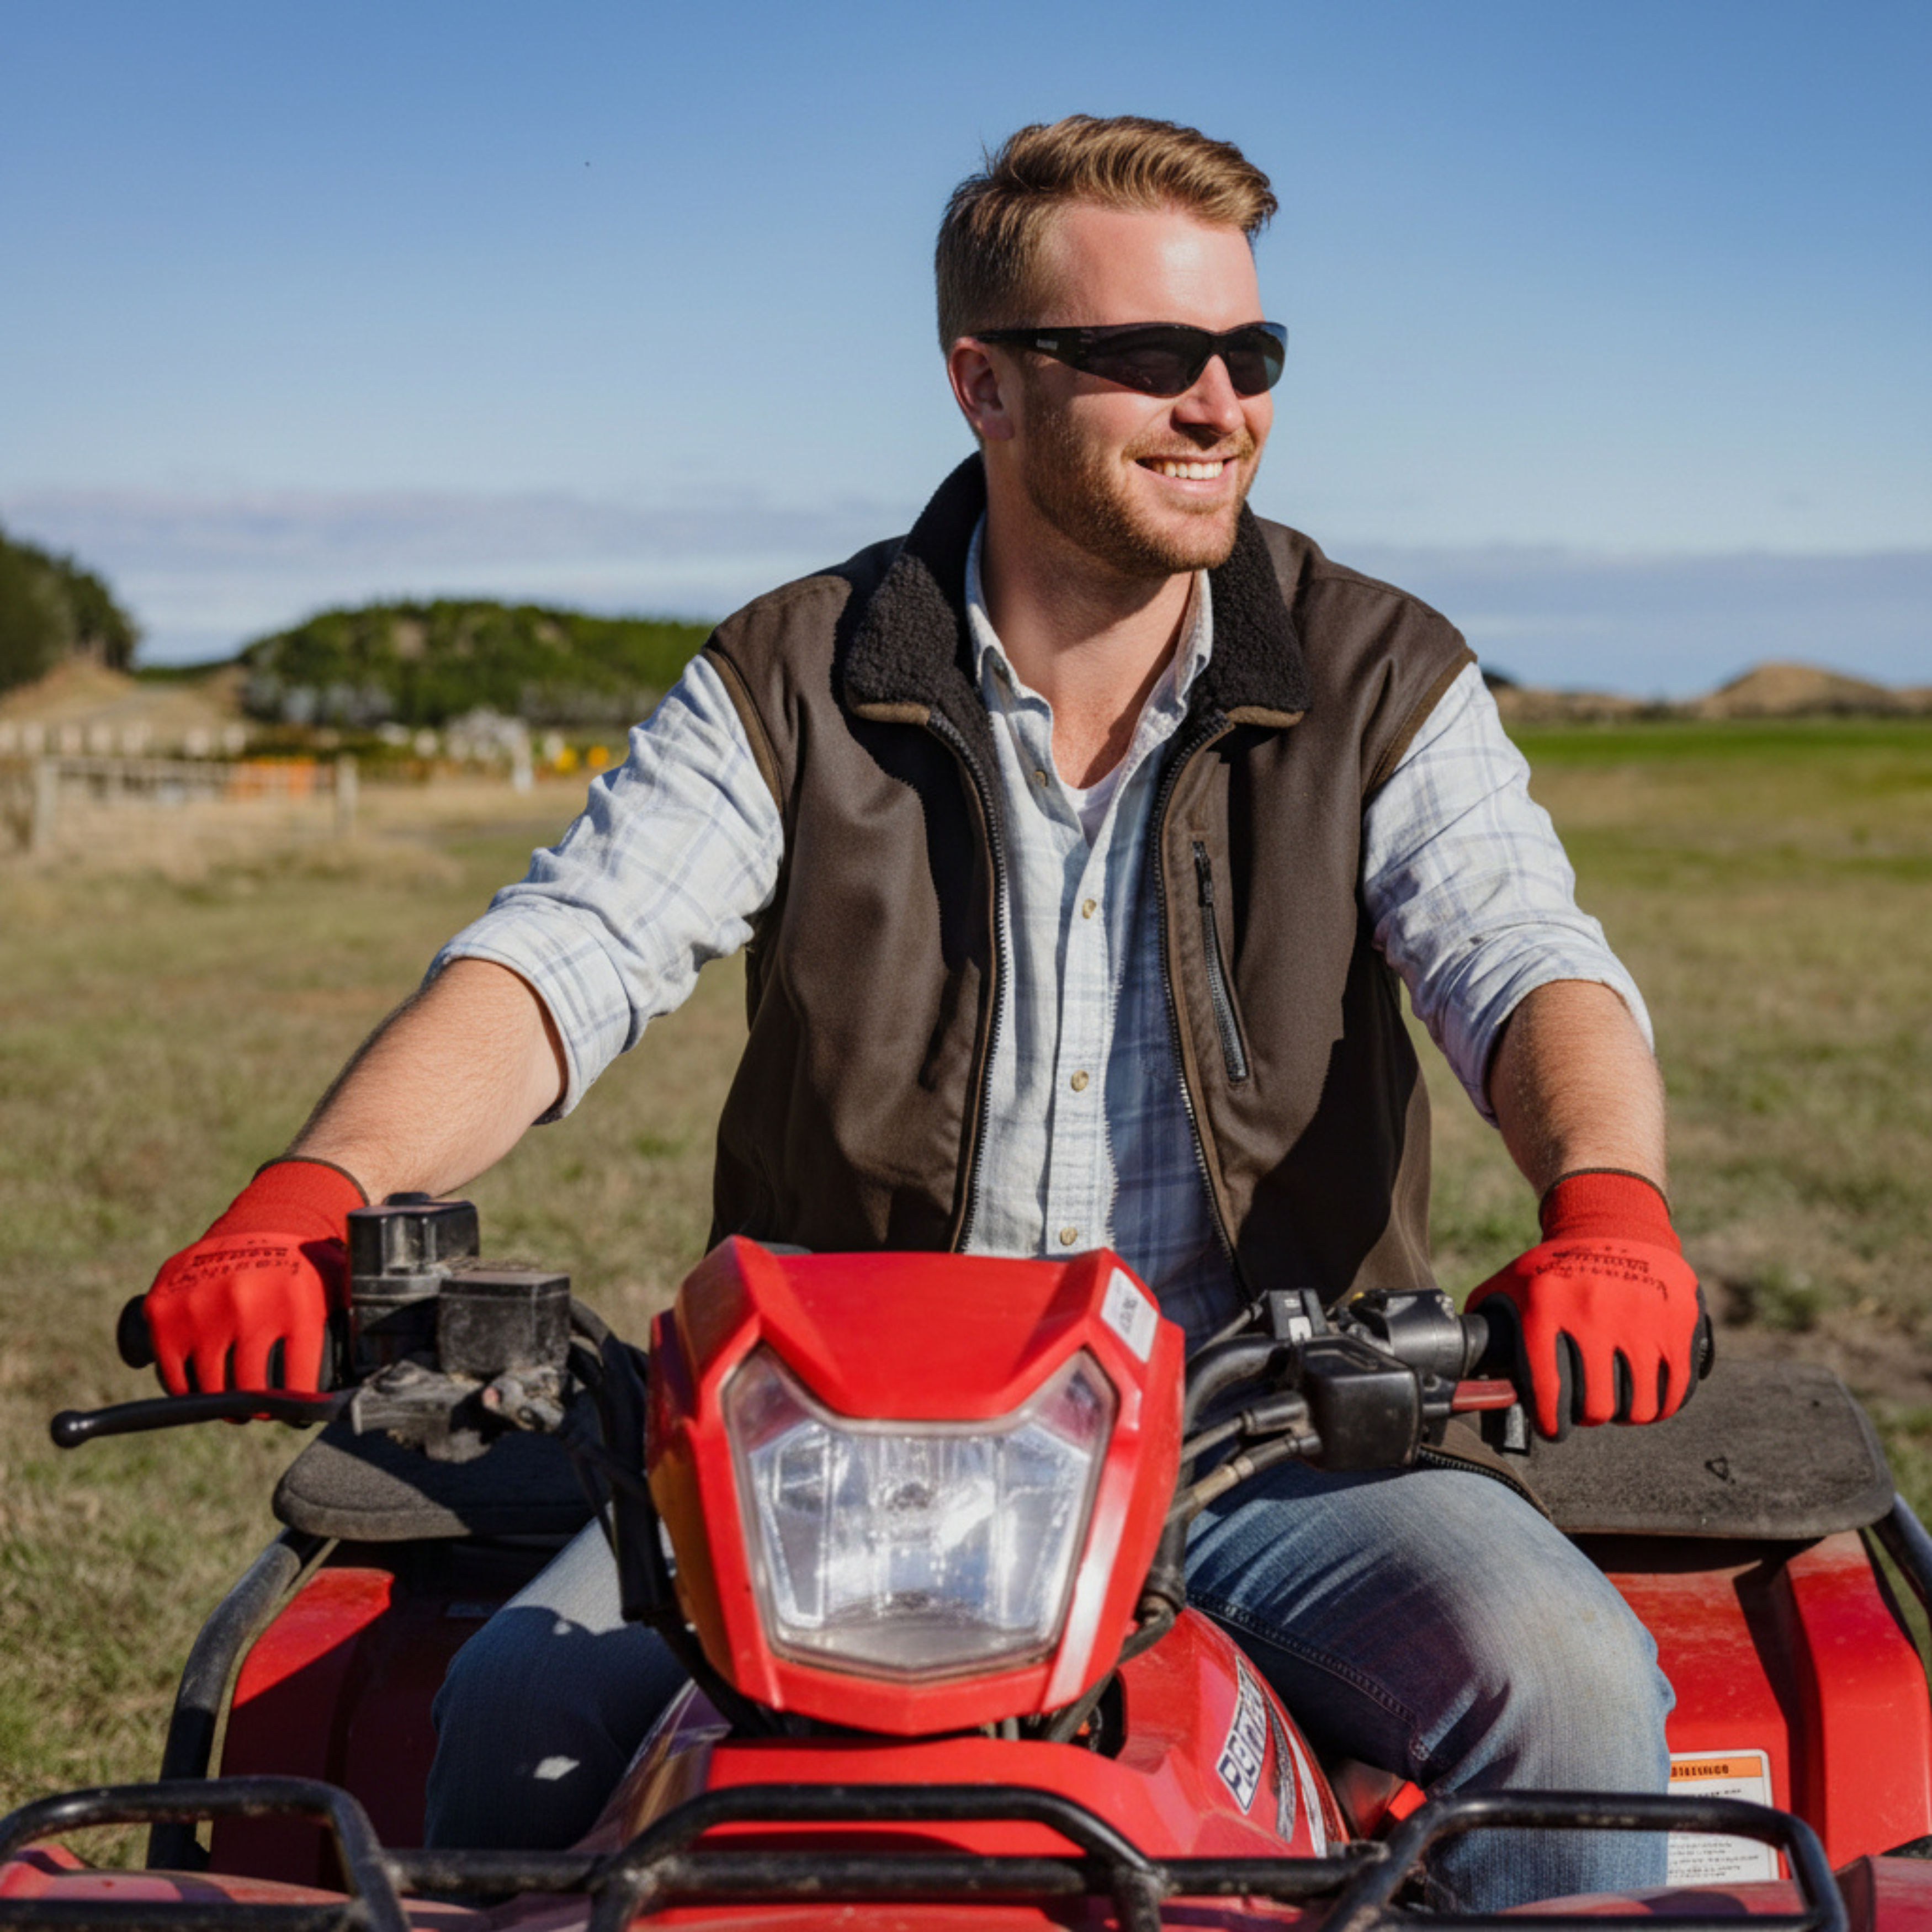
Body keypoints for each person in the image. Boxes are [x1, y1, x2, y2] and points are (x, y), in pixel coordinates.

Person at [142, 116, 1704, 1909]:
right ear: (983, 382)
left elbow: (1517, 954)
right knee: (520, 1713)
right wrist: (313, 1190)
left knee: (1568, 1687)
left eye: (1247, 353)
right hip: (831, 1450)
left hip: (1262, 1427)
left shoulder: (1377, 668)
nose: (1219, 404)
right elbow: (567, 954)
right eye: (1144, 358)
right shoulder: (796, 671)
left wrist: (1608, 1203)